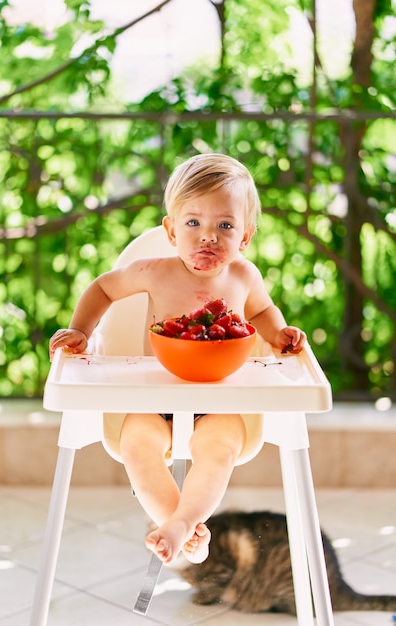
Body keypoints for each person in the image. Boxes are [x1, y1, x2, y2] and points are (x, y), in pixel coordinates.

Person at [49, 153, 306, 566]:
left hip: (220, 400)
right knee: (136, 445)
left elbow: (260, 312)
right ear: (171, 230)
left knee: (218, 449)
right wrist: (80, 330)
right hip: (155, 398)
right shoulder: (154, 271)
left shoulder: (244, 276)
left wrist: (279, 334)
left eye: (225, 225)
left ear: (245, 236)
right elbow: (104, 288)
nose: (209, 237)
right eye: (193, 223)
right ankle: (177, 524)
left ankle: (182, 523)